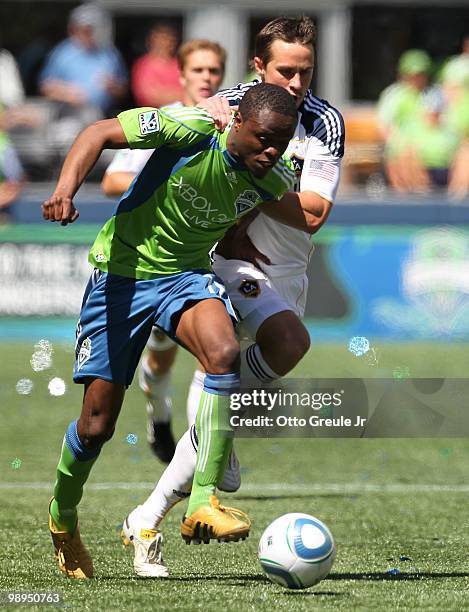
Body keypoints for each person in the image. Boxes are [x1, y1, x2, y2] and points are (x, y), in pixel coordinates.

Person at [43, 82, 326, 579]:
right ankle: (63, 519)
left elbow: (294, 211)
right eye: (262, 139)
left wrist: (252, 232)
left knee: (222, 353)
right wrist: (64, 191)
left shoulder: (270, 175)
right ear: (236, 122)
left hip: (187, 278)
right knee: (96, 426)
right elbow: (98, 132)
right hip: (122, 276)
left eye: (280, 144)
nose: (271, 151)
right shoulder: (190, 129)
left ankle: (203, 501)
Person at [122, 16, 345, 578]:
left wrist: (252, 180)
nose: (296, 84)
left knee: (245, 383)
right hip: (225, 260)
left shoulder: (325, 124)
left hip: (284, 271)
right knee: (289, 342)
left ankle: (150, 510)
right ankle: (206, 413)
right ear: (259, 68)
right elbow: (188, 169)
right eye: (285, 71)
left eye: (306, 72)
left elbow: (313, 213)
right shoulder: (227, 109)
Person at [101, 39, 226, 462]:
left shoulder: (233, 121)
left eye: (214, 71)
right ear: (183, 76)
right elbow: (112, 181)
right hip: (159, 260)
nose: (207, 78)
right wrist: (167, 186)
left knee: (218, 353)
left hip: (210, 259)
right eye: (199, 70)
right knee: (159, 362)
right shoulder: (167, 120)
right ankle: (158, 415)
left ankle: (200, 457)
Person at [39, 3, 127, 118]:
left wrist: (113, 87)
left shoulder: (110, 53)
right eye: (84, 29)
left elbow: (123, 91)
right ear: (73, 29)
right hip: (70, 117)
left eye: (92, 29)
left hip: (103, 116)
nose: (89, 34)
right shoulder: (62, 53)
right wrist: (68, 94)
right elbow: (46, 88)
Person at [377, 49, 431, 192]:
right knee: (406, 154)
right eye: (412, 74)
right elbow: (384, 127)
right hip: (400, 150)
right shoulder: (393, 95)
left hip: (428, 150)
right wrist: (399, 145)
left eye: (420, 74)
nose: (416, 78)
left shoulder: (431, 95)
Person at [131, 22, 184, 108]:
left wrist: (164, 92)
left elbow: (192, 91)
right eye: (161, 39)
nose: (166, 43)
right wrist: (178, 94)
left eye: (170, 40)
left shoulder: (180, 63)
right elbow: (150, 96)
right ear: (151, 41)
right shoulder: (143, 65)